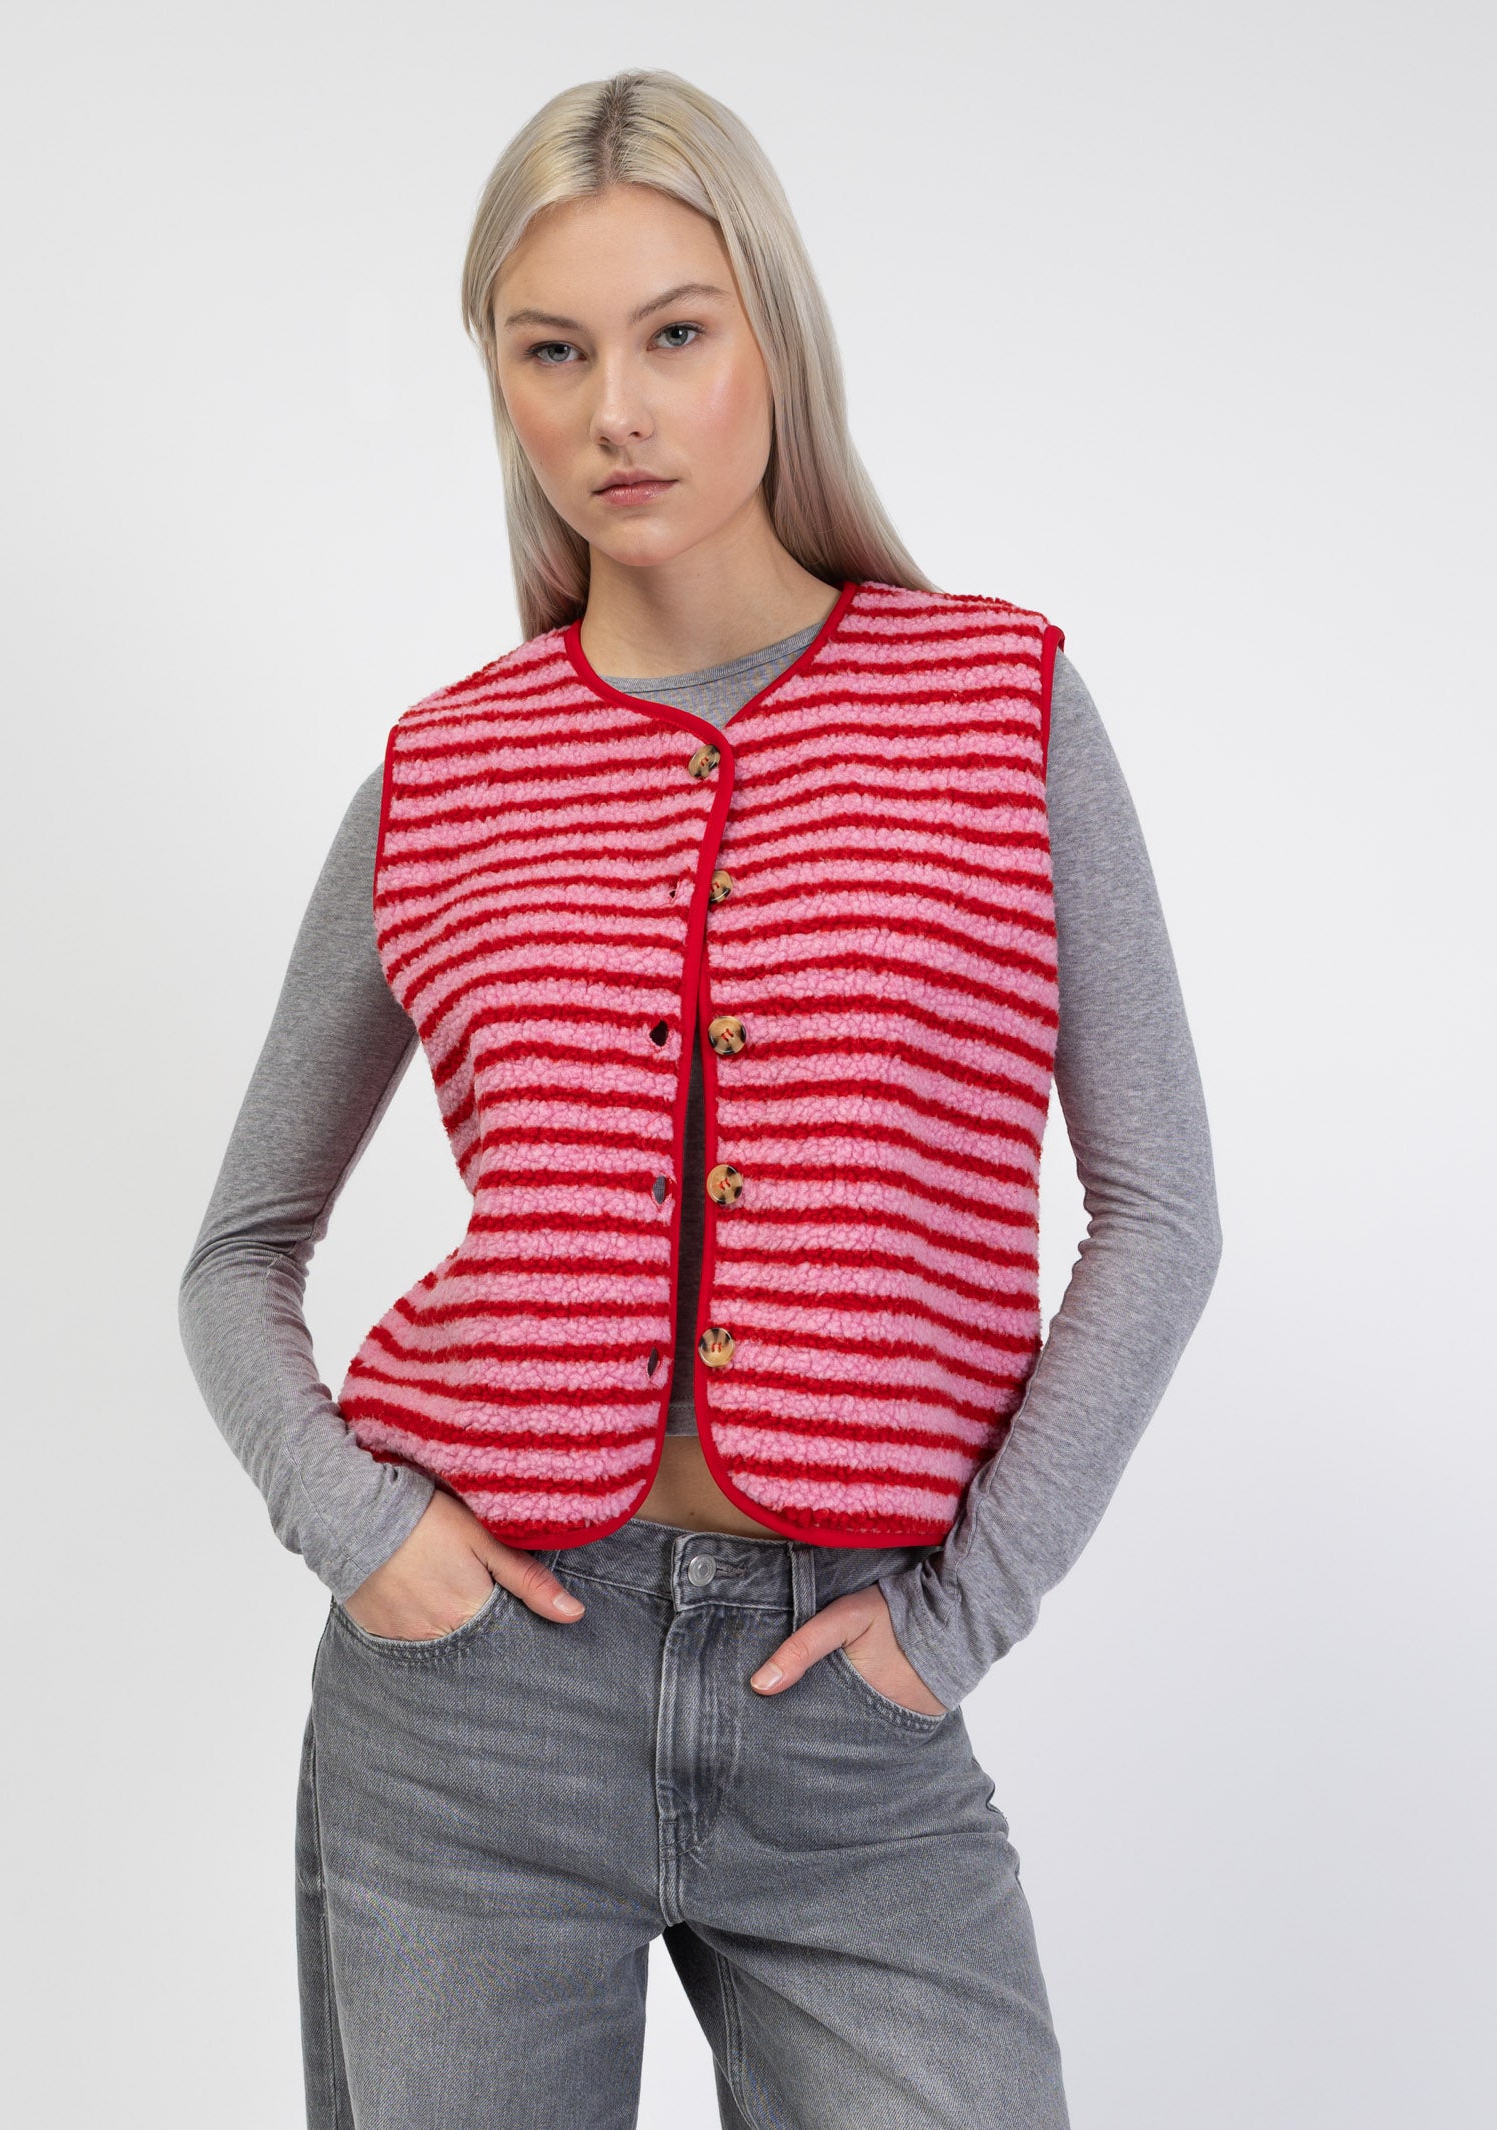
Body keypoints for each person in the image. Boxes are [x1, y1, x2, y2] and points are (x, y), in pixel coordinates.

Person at [178, 67, 1222, 2130]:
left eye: (674, 333)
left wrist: (961, 1618)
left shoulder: (996, 708)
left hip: (853, 1708)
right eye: (551, 353)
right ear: (501, 383)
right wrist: (362, 1530)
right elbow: (239, 1254)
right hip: (469, 1718)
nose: (616, 414)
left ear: (777, 338)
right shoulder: (444, 773)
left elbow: (1162, 1208)